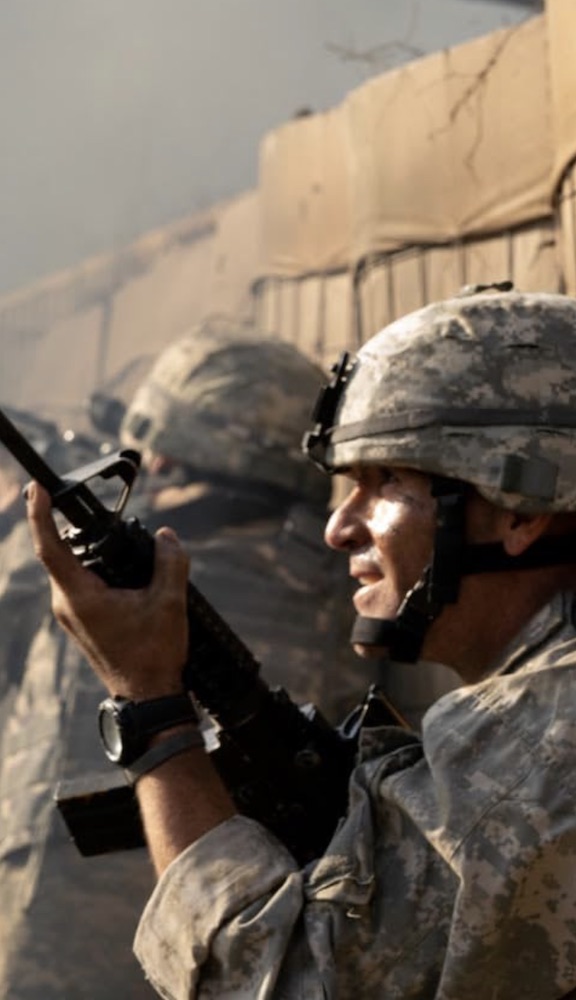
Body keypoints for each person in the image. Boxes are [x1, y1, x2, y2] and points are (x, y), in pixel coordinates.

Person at [27, 287, 576, 998]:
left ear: (521, 510)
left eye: (383, 480)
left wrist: (153, 710)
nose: (340, 526)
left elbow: (275, 983)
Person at [0, 321, 378, 998]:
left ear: (168, 452)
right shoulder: (350, 590)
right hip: (248, 957)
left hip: (97, 951)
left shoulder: (88, 580)